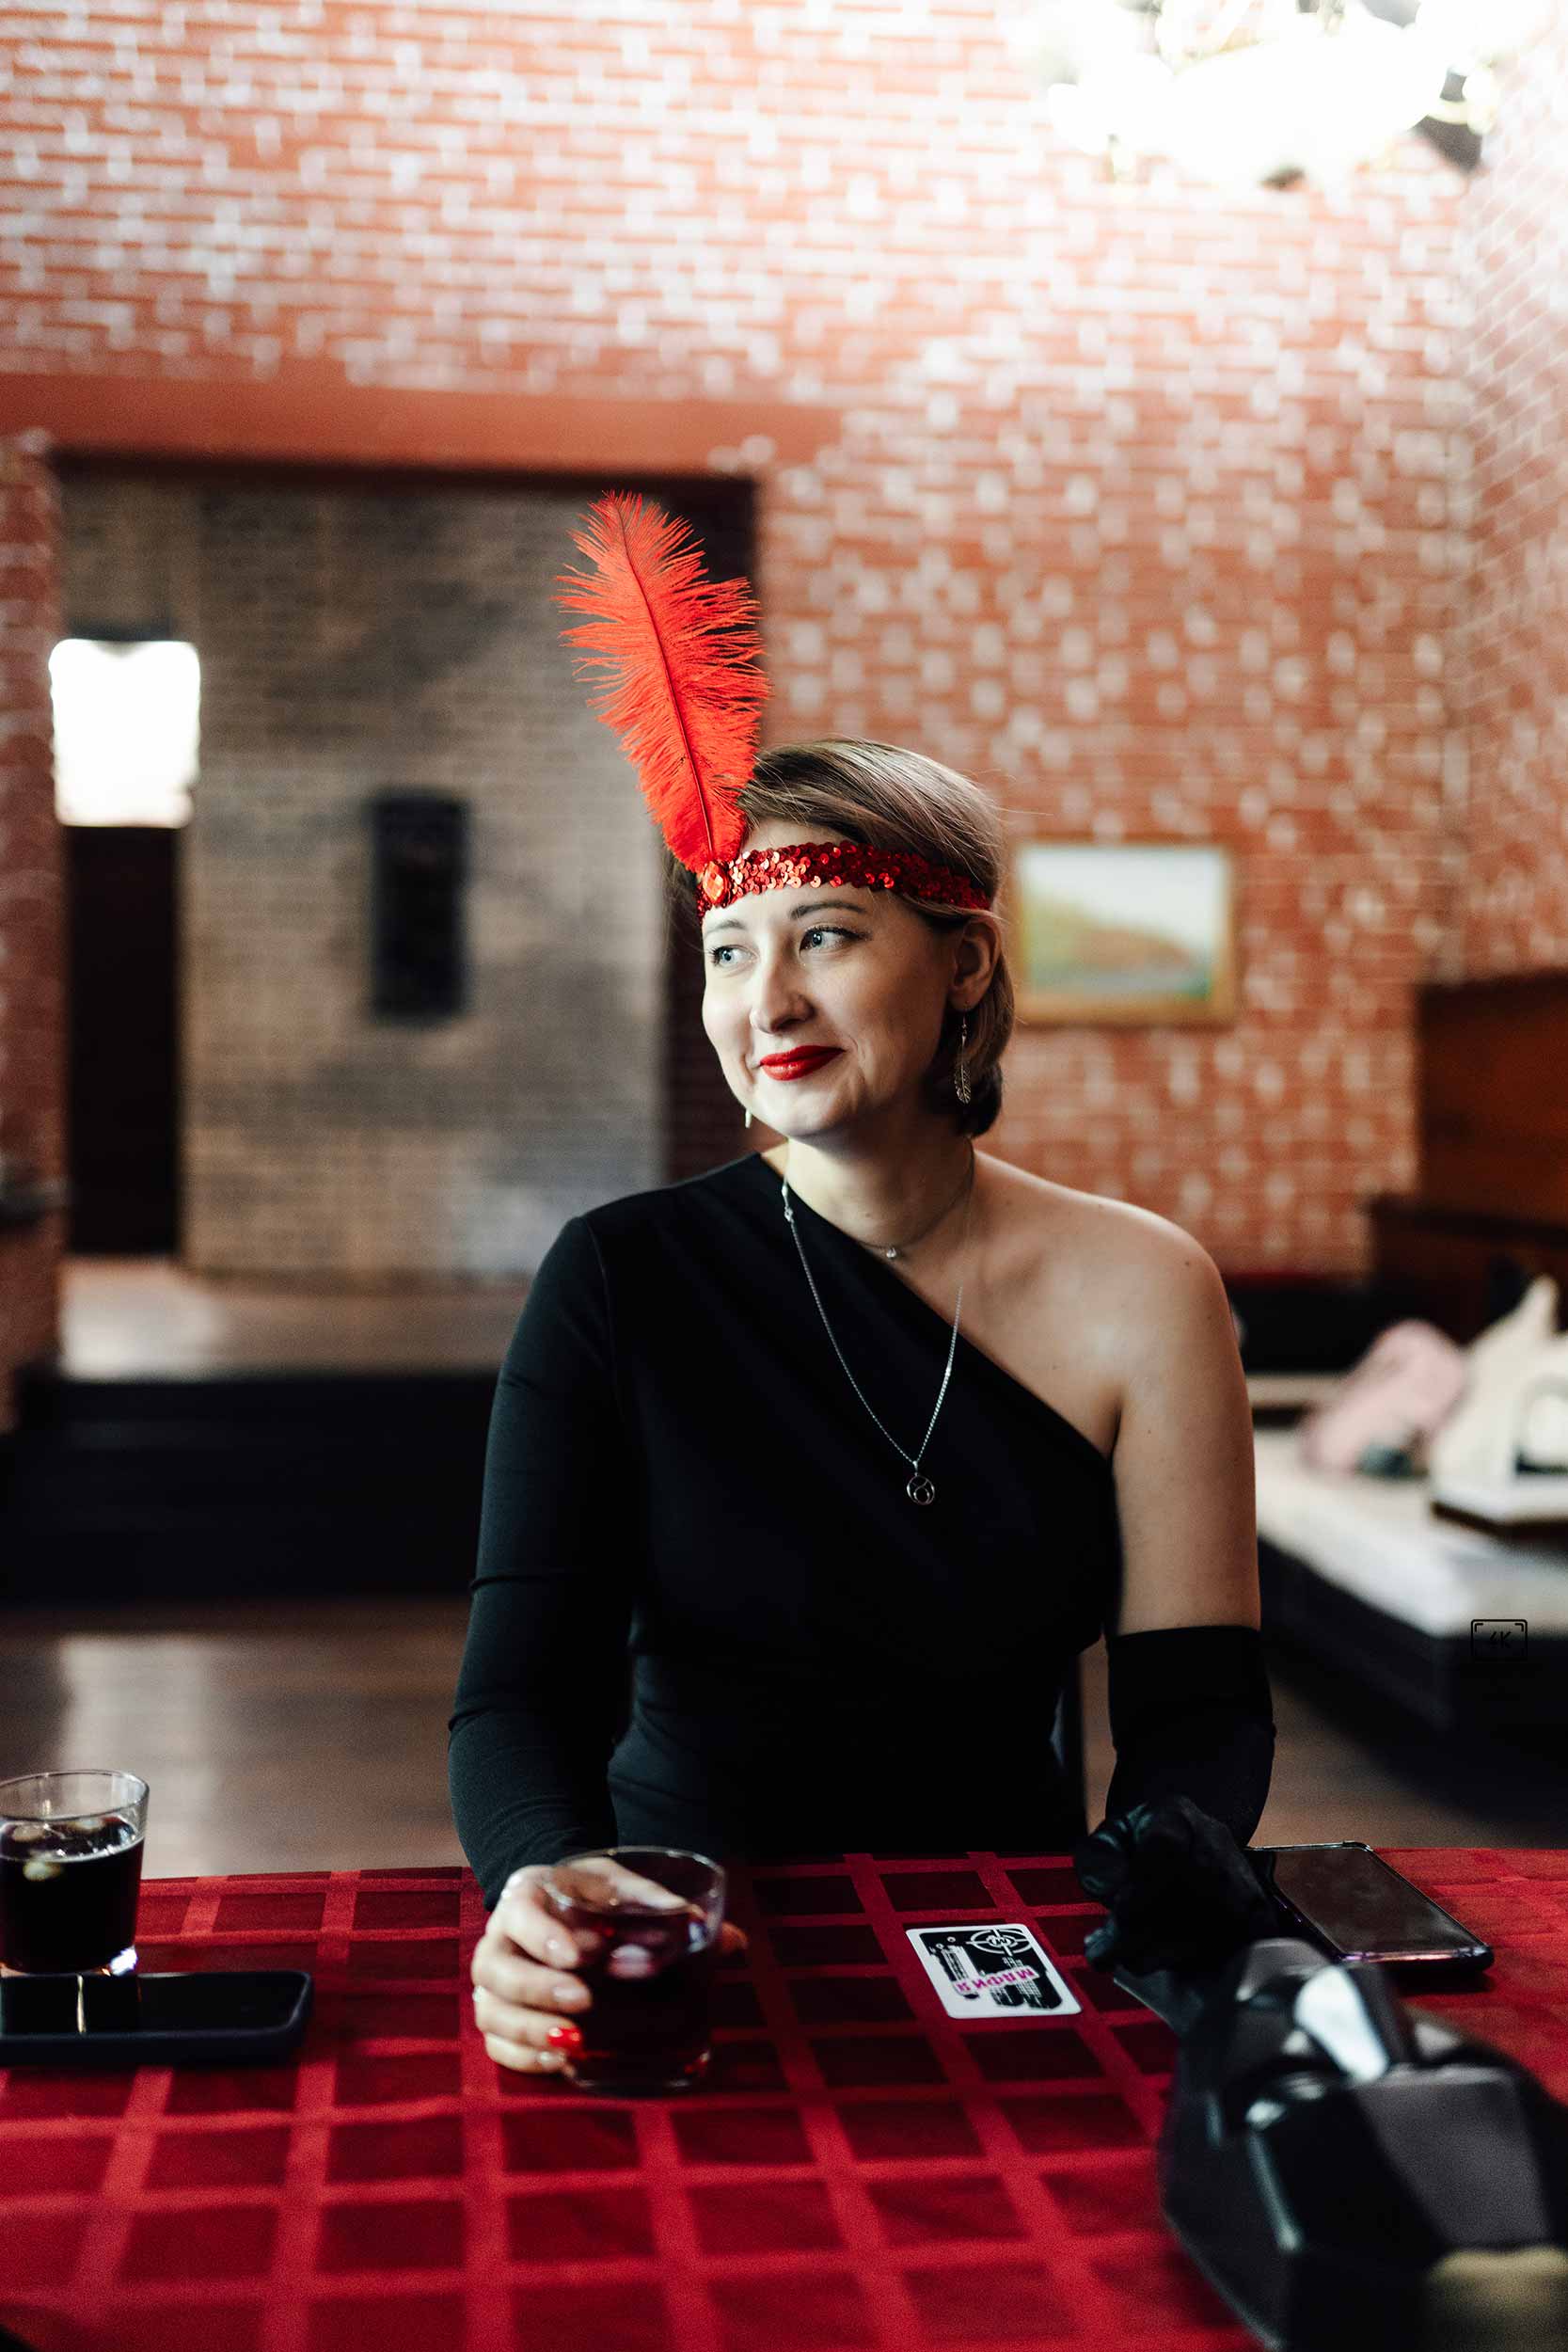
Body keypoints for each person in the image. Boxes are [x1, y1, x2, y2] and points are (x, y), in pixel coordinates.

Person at [453, 498, 1274, 2076]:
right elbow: (519, 1700)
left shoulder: (1144, 1287)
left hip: (1018, 1924)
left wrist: (1155, 1897)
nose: (766, 1001)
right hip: (683, 1929)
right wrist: (540, 1888)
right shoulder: (619, 1276)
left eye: (824, 935)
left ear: (962, 963)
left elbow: (1199, 1715)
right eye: (727, 950)